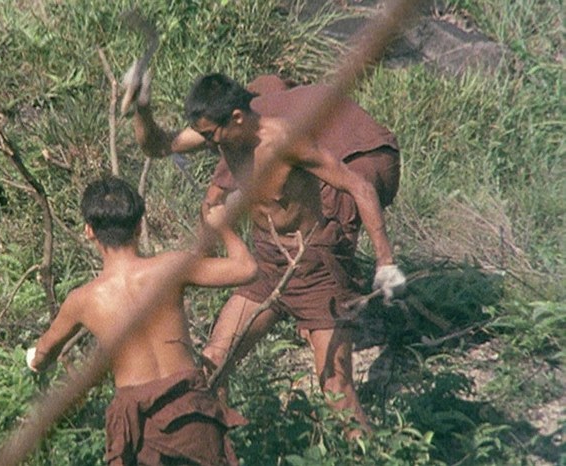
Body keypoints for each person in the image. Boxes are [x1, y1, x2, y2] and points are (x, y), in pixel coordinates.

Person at [125, 70, 406, 435]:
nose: (209, 143)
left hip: (316, 271)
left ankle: (370, 455)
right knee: (214, 363)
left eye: (211, 134)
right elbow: (158, 146)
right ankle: (221, 452)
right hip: (267, 266)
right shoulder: (222, 133)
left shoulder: (285, 140)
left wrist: (385, 262)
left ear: (237, 118)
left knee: (336, 390)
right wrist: (142, 108)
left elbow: (359, 186)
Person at [26, 176, 257, 465]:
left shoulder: (83, 300)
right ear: (139, 226)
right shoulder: (171, 267)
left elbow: (44, 353)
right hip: (189, 408)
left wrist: (34, 361)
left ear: (89, 231)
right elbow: (246, 269)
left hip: (137, 420)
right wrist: (223, 226)